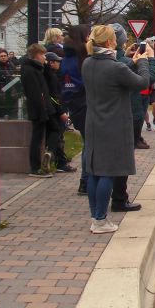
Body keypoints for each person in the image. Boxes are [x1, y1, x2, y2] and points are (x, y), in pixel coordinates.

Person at [82, 25, 151, 233]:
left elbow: (114, 74)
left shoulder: (87, 63)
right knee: (108, 172)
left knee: (94, 171)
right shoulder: (115, 68)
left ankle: (96, 217)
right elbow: (142, 82)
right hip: (113, 124)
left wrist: (132, 61)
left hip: (93, 122)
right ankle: (101, 220)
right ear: (110, 42)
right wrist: (145, 61)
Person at [111, 23, 155, 212]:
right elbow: (147, 79)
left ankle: (111, 196)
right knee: (122, 159)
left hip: (104, 116)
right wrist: (149, 59)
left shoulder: (92, 61)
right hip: (128, 112)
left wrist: (128, 56)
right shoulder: (119, 64)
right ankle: (119, 199)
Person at [61, 24, 92, 194]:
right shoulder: (82, 58)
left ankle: (86, 180)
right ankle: (86, 181)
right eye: (88, 34)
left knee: (87, 142)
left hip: (73, 103)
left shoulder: (66, 56)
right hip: (85, 102)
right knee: (89, 143)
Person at [21, 43, 59, 178]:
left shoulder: (38, 69)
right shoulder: (29, 71)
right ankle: (35, 167)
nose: (45, 58)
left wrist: (46, 67)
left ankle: (49, 153)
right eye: (43, 55)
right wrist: (42, 110)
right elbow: (35, 93)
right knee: (37, 138)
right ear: (37, 55)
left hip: (45, 107)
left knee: (54, 130)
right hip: (39, 109)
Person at [44, 51, 76, 172]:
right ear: (51, 63)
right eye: (57, 61)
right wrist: (62, 111)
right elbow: (55, 96)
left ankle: (56, 158)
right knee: (57, 135)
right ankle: (58, 160)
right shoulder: (52, 77)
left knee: (56, 135)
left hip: (50, 109)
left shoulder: (49, 75)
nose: (59, 63)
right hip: (55, 110)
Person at [0, 48, 17, 119]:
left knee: (12, 113)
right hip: (0, 92)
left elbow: (13, 77)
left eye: (5, 56)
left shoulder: (11, 65)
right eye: (1, 56)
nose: (3, 57)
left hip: (11, 93)